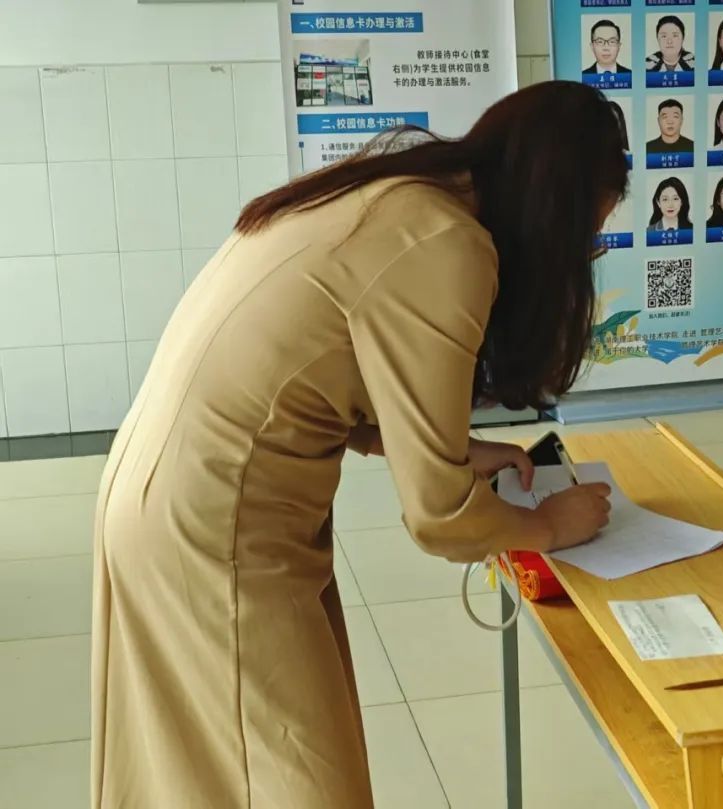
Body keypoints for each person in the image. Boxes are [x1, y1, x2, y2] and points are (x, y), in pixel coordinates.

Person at [90, 81, 625, 809]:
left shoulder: (398, 195)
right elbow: (439, 516)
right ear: (551, 209)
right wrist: (550, 526)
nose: (583, 259)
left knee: (211, 775)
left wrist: (454, 448)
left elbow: (321, 373)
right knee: (295, 783)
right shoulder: (448, 244)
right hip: (216, 527)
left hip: (168, 488)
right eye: (587, 238)